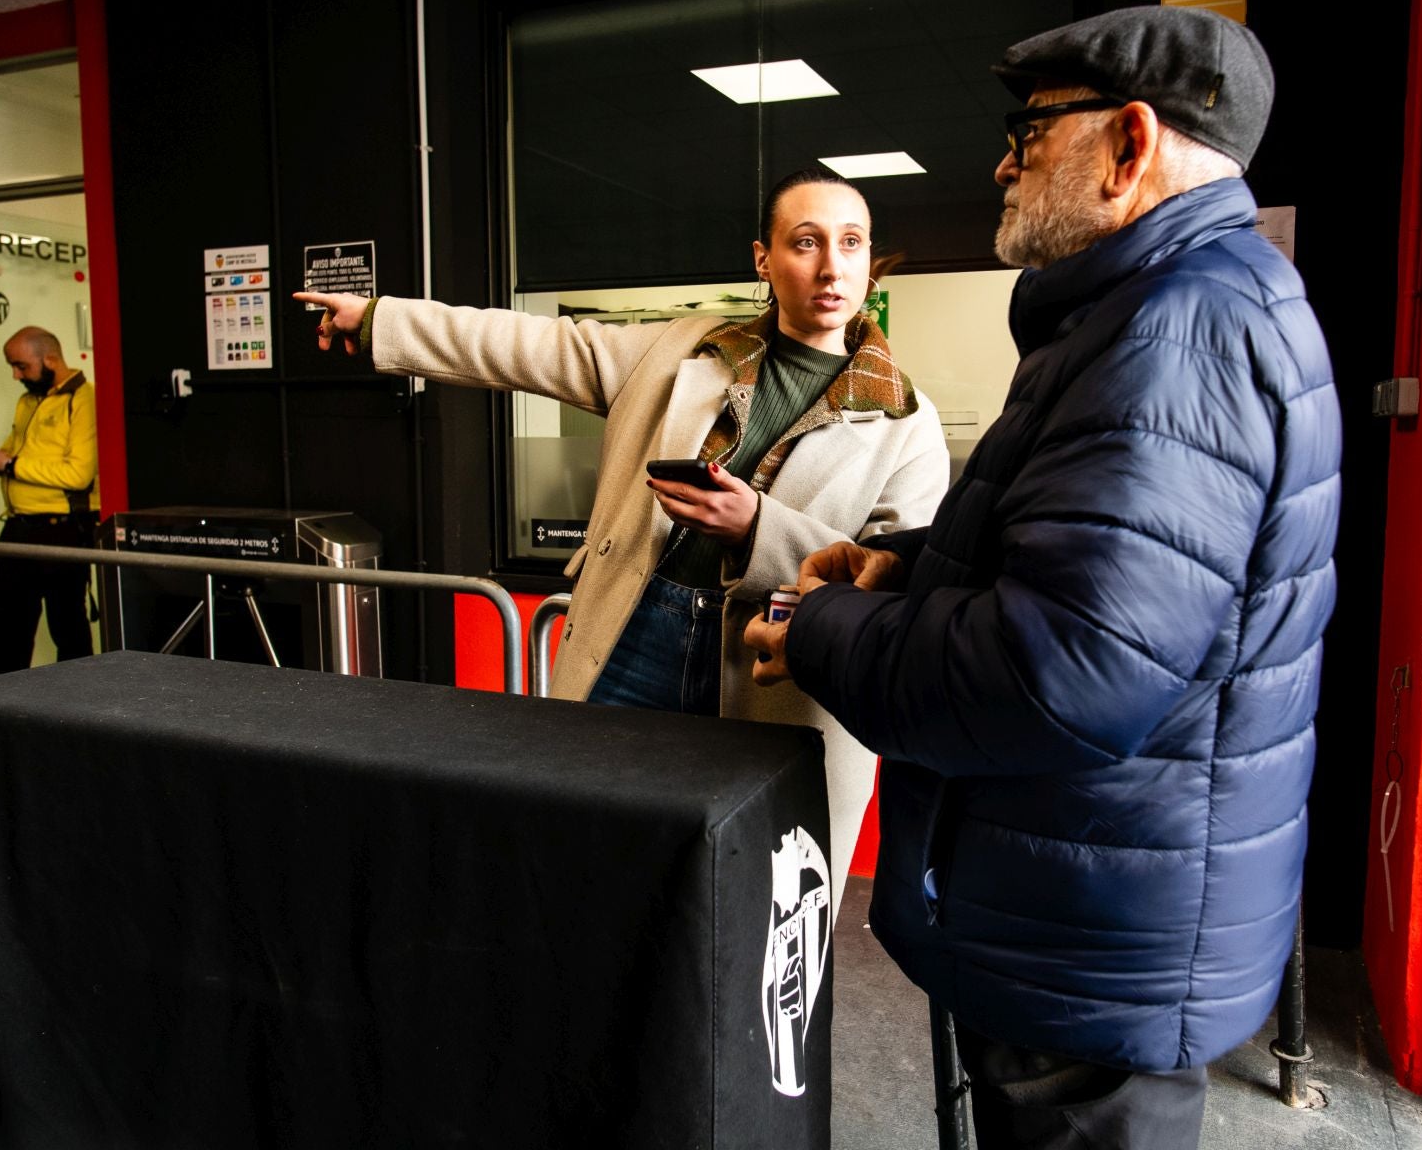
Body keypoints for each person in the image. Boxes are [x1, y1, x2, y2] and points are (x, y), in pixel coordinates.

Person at [745, 6, 1341, 1148]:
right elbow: (1092, 568)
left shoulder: (1180, 332)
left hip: (1094, 943)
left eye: (1031, 129)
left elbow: (1061, 670)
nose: (1004, 160)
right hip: (1093, 903)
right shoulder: (1165, 305)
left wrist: (825, 626)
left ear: (1128, 144)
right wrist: (906, 567)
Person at [301, 170, 948, 899]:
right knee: (585, 850)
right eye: (806, 243)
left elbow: (889, 584)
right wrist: (382, 321)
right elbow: (527, 345)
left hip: (776, 674)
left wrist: (756, 530)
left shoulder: (908, 424)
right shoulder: (681, 350)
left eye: (851, 243)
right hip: (641, 628)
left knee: (743, 898)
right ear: (764, 260)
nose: (832, 267)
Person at [0, 326, 100, 674]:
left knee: (68, 627)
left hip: (63, 530)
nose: (15, 374)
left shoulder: (85, 399)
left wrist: (11, 464)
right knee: (7, 628)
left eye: (21, 366)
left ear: (49, 359)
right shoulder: (28, 400)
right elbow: (16, 453)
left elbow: (78, 475)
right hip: (19, 526)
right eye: (12, 366)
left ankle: (77, 709)